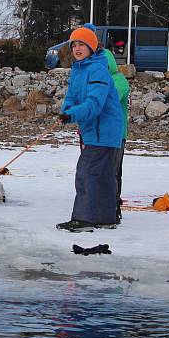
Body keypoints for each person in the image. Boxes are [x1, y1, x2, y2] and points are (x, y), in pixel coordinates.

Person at [56, 27, 124, 232]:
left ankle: (84, 218)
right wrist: (66, 112)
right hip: (94, 131)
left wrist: (73, 114)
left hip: (104, 130)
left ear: (92, 47)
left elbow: (94, 104)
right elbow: (71, 98)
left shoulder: (97, 69)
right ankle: (106, 218)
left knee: (86, 173)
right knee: (103, 175)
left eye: (81, 44)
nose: (77, 49)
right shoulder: (78, 70)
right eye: (74, 45)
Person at [102, 47, 129, 224]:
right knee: (100, 172)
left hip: (116, 135)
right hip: (99, 135)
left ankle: (113, 207)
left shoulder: (119, 80)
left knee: (113, 172)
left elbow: (108, 99)